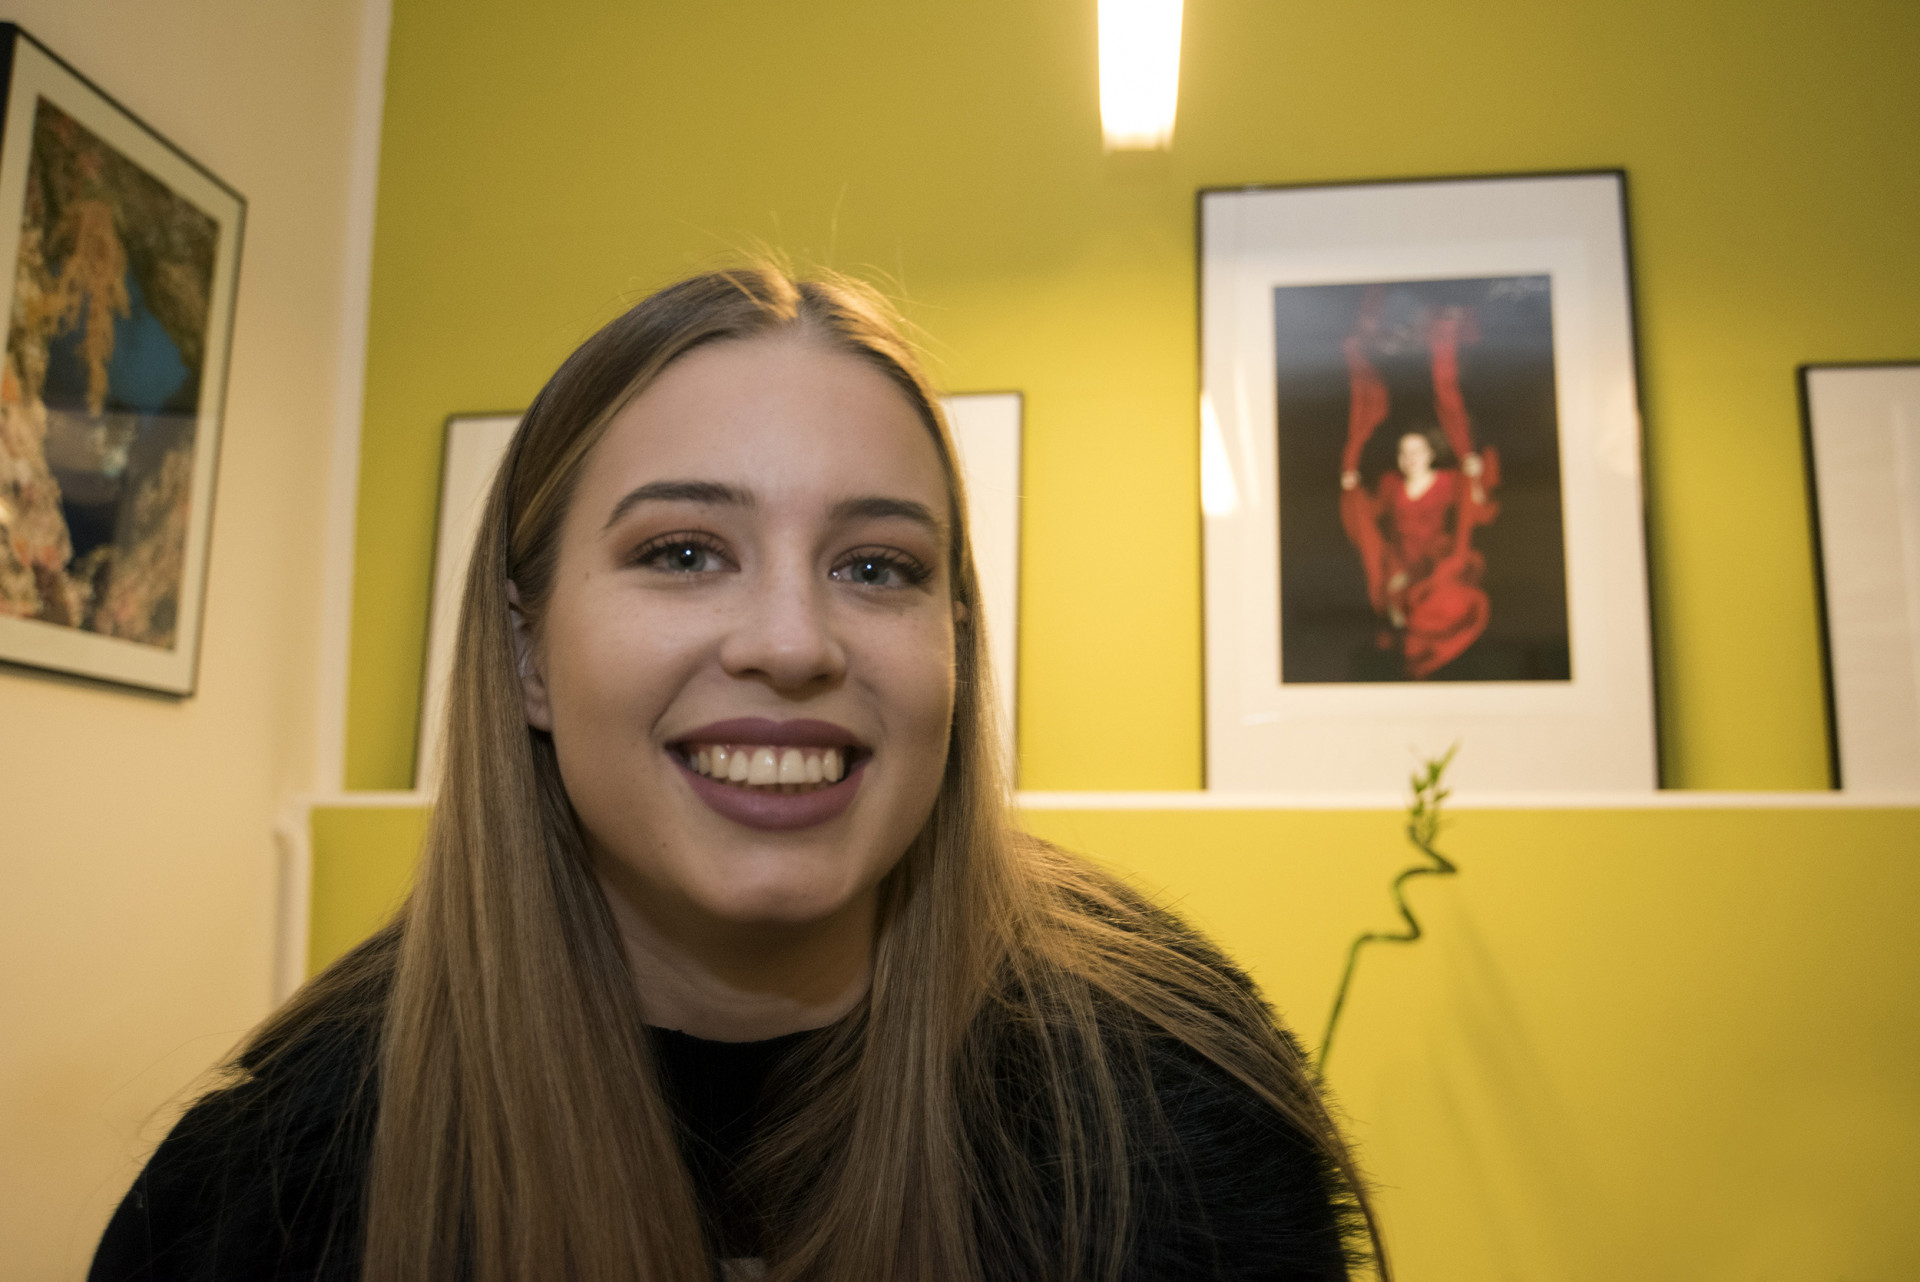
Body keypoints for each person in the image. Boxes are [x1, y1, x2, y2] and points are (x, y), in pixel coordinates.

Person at [91, 267, 1382, 1281]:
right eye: (684, 552)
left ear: (955, 646)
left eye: (875, 566)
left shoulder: (1178, 1120)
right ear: (528, 653)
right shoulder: (265, 1193)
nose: (791, 642)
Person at [1338, 300, 1500, 679]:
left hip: (1438, 567)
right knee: (1397, 610)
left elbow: (1477, 512)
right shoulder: (1390, 484)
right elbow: (1368, 520)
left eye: (1416, 452)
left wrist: (1474, 476)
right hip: (1401, 568)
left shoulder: (1449, 482)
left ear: (1430, 453)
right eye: (1403, 452)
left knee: (1439, 606)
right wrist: (1351, 486)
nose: (1409, 459)